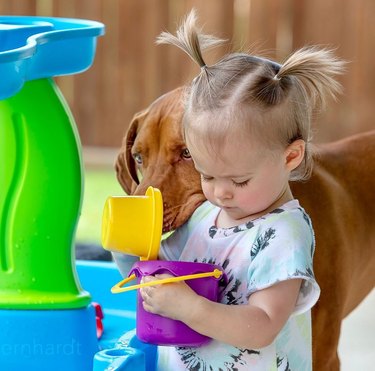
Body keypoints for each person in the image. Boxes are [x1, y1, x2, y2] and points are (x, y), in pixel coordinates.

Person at [116, 9, 345, 370]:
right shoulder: (207, 214)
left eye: (238, 180)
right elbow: (155, 266)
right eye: (207, 174)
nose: (220, 193)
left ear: (291, 157)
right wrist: (129, 250)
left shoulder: (284, 234)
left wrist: (191, 308)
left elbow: (264, 326)